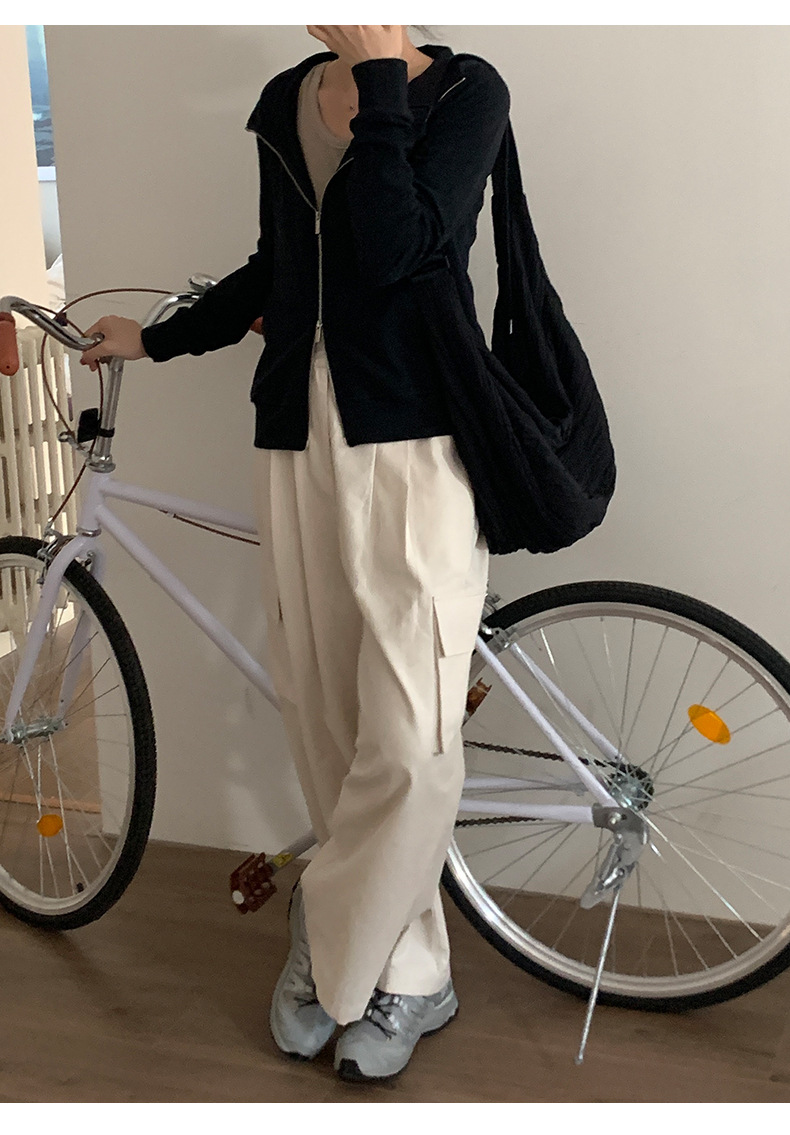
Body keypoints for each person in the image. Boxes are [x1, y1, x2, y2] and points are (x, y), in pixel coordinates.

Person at [79, 25, 510, 1083]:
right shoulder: (286, 98)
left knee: (409, 740)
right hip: (296, 434)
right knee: (325, 718)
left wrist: (379, 78)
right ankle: (408, 974)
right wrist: (161, 336)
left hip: (416, 439)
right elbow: (284, 262)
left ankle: (324, 926)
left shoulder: (464, 92)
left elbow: (402, 252)